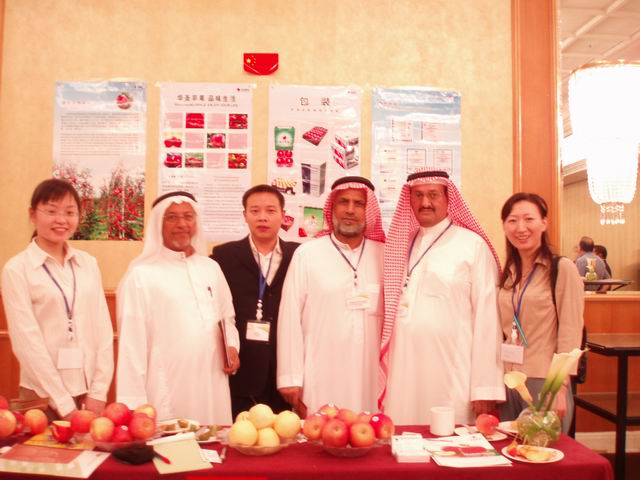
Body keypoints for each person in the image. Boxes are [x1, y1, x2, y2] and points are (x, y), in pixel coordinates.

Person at [379, 169, 504, 424]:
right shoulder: (402, 244)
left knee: (448, 438)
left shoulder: (472, 245)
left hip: (452, 372)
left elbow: (487, 319)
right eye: (418, 195)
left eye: (433, 195)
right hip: (403, 371)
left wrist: (484, 387)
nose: (425, 202)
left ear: (449, 199)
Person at [116, 191, 240, 424]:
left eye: (188, 216)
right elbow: (131, 345)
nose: (182, 224)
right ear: (158, 225)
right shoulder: (141, 275)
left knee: (214, 440)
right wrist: (134, 405)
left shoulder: (211, 268)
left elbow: (227, 317)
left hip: (212, 383)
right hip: (167, 388)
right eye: (171, 217)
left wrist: (232, 345)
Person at [1, 178, 113, 420]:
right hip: (41, 396)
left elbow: (103, 330)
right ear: (33, 215)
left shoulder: (88, 264)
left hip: (87, 394)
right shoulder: (17, 269)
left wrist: (99, 391)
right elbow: (26, 342)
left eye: (70, 212)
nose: (61, 220)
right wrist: (64, 404)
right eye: (51, 211)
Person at [277, 176, 386, 416]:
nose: (350, 210)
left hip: (370, 375)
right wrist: (290, 377)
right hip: (321, 372)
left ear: (368, 211)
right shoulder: (307, 254)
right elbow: (289, 317)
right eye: (343, 202)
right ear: (332, 208)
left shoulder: (385, 256)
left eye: (359, 204)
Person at [498, 193, 584, 432]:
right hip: (508, 381)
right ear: (504, 226)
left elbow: (570, 333)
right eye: (512, 220)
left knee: (541, 451)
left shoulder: (562, 269)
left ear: (544, 223)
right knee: (508, 452)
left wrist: (559, 389)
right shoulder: (508, 273)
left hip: (544, 382)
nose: (520, 228)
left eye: (529, 219)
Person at [211, 185, 299, 418]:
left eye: (270, 210)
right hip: (241, 370)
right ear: (245, 215)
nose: (262, 217)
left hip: (284, 372)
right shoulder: (223, 257)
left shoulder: (299, 256)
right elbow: (216, 309)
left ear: (283, 215)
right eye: (255, 211)